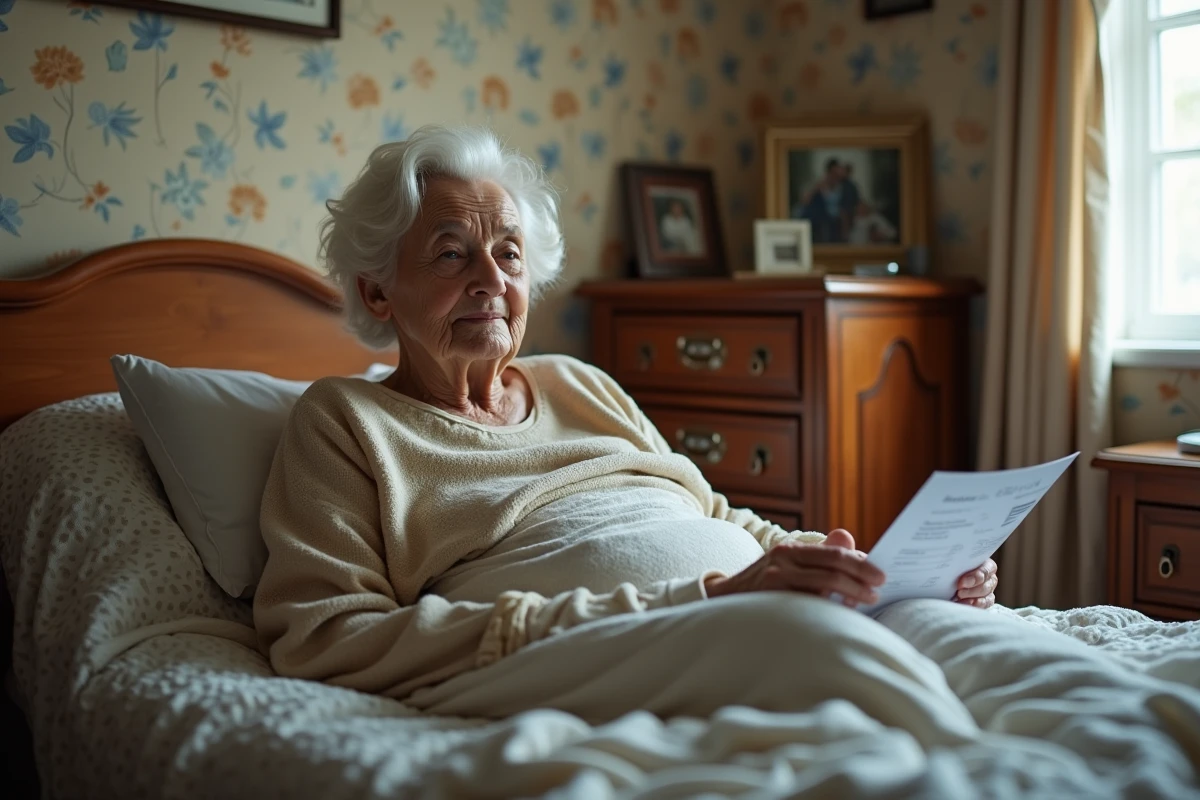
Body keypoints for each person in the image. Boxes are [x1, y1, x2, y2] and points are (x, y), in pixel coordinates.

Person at [254, 125, 999, 729]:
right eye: (451, 254)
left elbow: (718, 516)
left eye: (508, 254)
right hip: (592, 646)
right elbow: (326, 638)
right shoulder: (347, 422)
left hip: (727, 610)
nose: (492, 279)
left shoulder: (580, 383)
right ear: (377, 292)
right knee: (820, 653)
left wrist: (870, 570)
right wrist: (701, 600)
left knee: (962, 633)